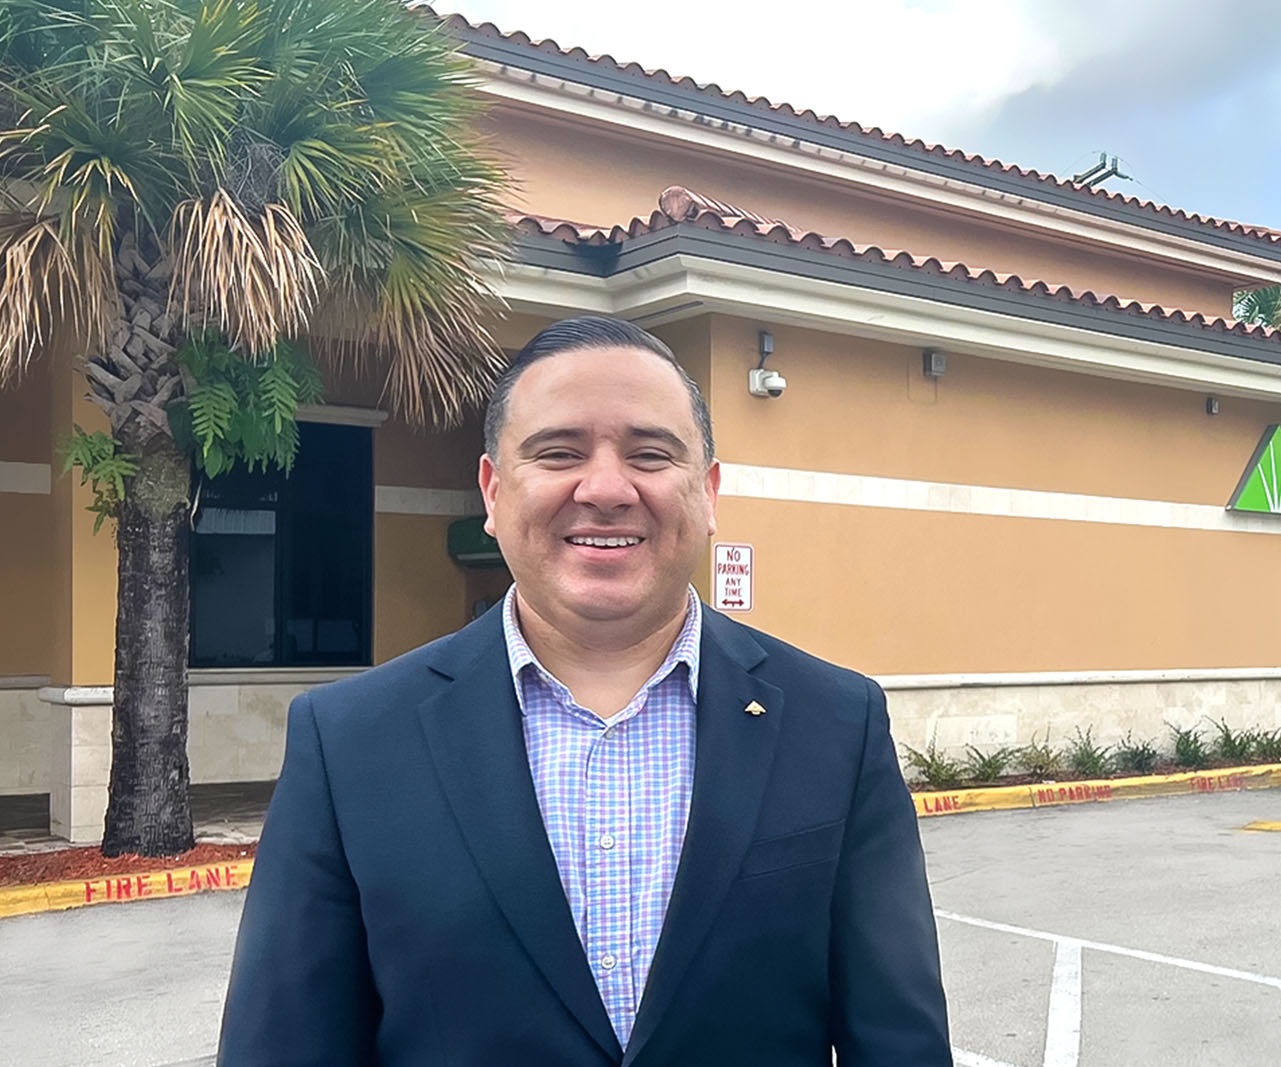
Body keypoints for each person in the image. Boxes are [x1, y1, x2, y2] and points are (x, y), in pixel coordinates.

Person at [218, 315, 952, 1066]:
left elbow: (900, 1044)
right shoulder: (348, 743)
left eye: (650, 454)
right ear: (494, 491)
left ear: (708, 492)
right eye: (559, 452)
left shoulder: (837, 723)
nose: (605, 489)